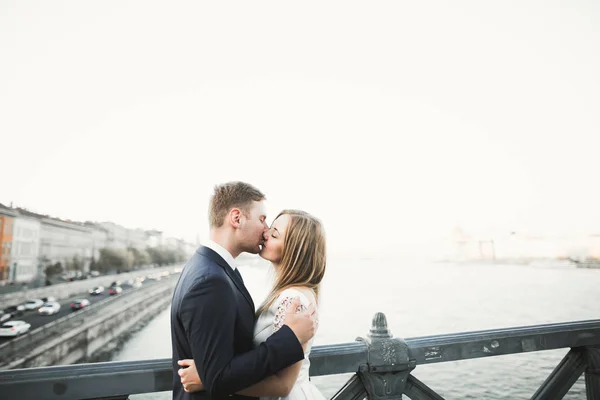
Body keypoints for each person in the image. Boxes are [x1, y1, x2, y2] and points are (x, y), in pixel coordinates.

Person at [171, 182, 318, 400]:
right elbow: (218, 376)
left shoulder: (211, 268)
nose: (266, 229)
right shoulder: (211, 281)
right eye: (262, 219)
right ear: (237, 218)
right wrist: (290, 338)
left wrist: (206, 375)